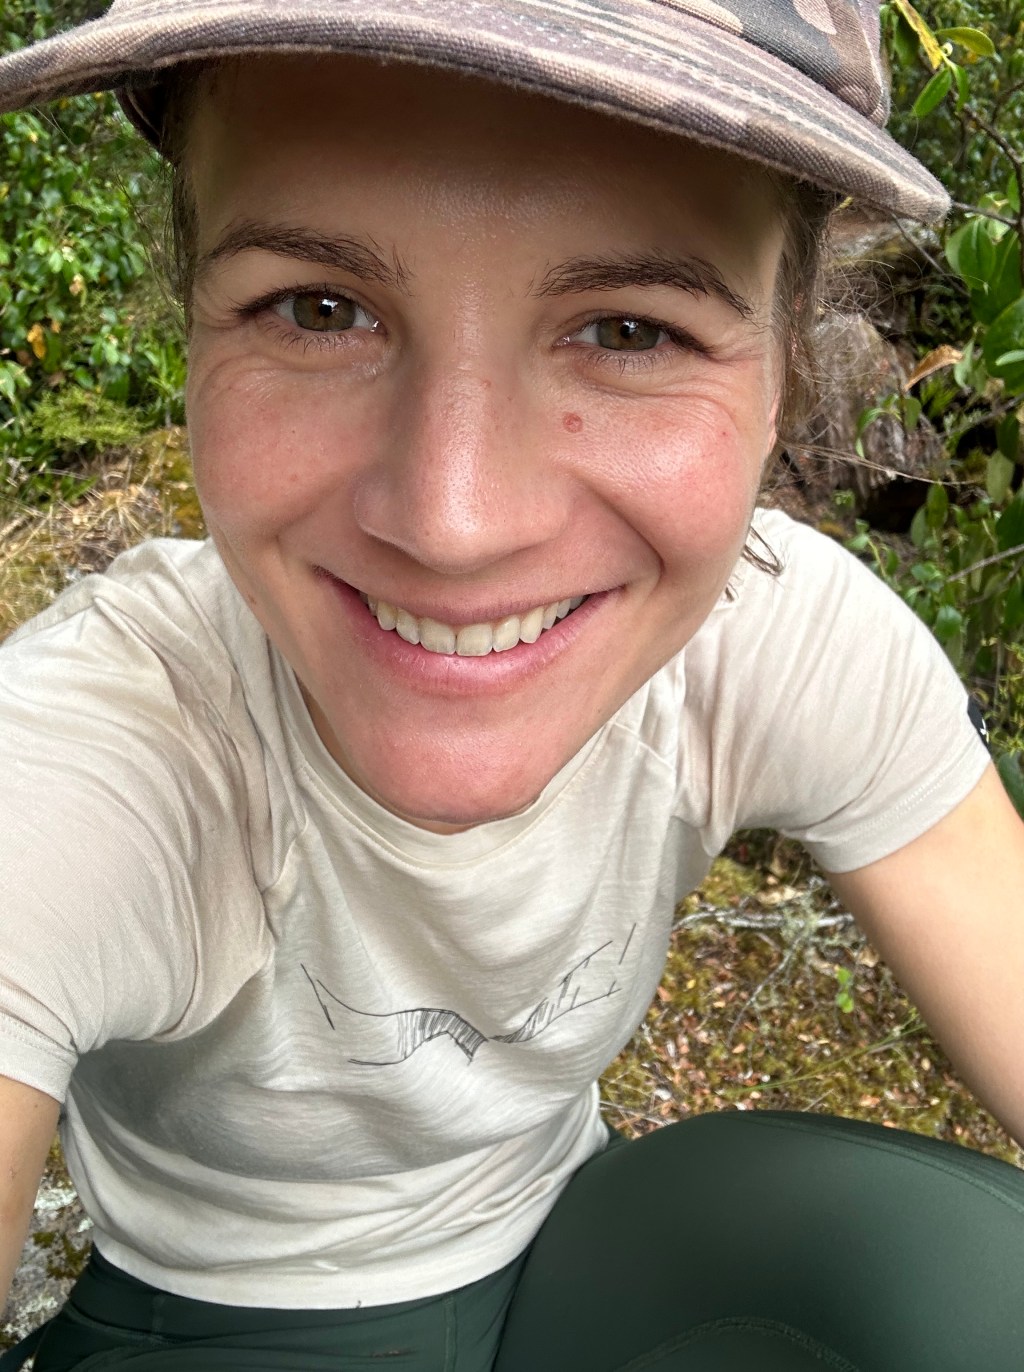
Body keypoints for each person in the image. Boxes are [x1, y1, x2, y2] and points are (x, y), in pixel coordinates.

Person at [0, 1, 1023, 1368]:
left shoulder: (777, 634)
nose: (453, 519)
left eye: (629, 331)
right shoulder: (107, 742)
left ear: (788, 368)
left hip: (584, 1235)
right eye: (320, 309)